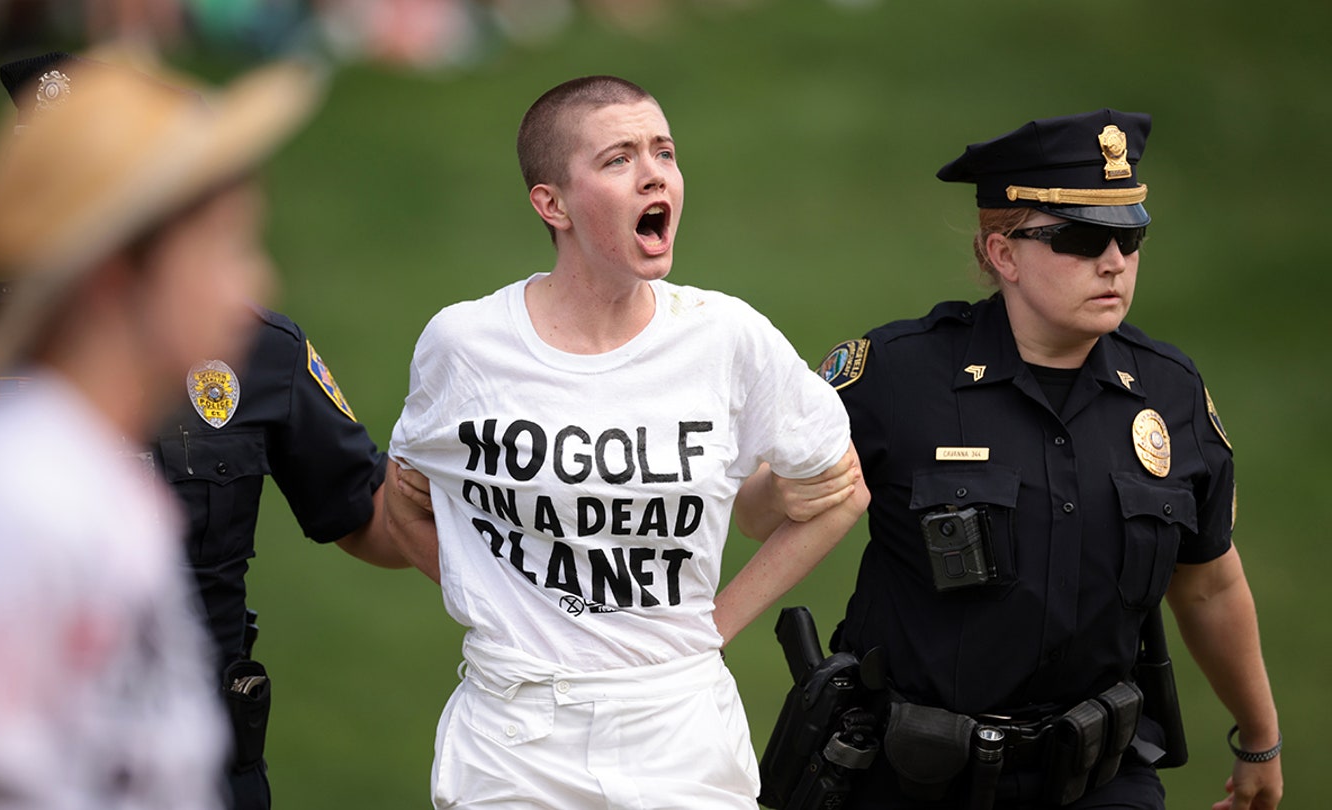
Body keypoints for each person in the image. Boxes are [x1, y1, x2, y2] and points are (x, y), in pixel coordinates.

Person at [0, 51, 416, 810]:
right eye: (224, 248)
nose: (256, 284)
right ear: (113, 277)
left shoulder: (81, 482)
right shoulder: (16, 499)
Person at [383, 74, 869, 809]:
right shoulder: (465, 344)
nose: (654, 174)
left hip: (680, 728)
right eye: (618, 159)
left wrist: (715, 626)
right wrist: (496, 603)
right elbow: (408, 498)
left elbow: (841, 489)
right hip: (514, 733)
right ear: (552, 203)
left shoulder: (725, 336)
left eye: (664, 152)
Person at [793, 109, 1281, 809]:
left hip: (1099, 780)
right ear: (1003, 254)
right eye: (1082, 238)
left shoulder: (1171, 393)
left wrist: (1260, 741)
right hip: (914, 781)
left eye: (1130, 237)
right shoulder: (895, 377)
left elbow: (1207, 585)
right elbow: (760, 502)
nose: (1114, 261)